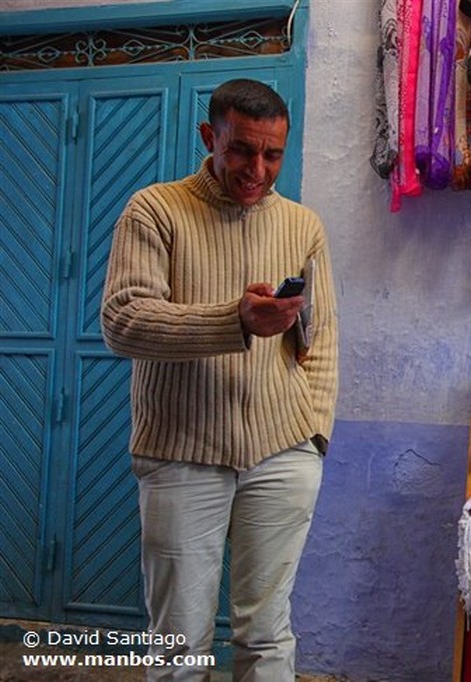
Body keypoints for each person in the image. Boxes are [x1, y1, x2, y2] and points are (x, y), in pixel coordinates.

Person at [101, 79, 338, 681]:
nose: (257, 169)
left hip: (283, 452)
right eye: (241, 150)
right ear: (211, 137)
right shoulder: (154, 210)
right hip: (182, 455)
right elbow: (124, 321)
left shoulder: (303, 225)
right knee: (180, 644)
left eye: (273, 154)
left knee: (267, 635)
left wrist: (315, 436)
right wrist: (233, 319)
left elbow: (322, 338)